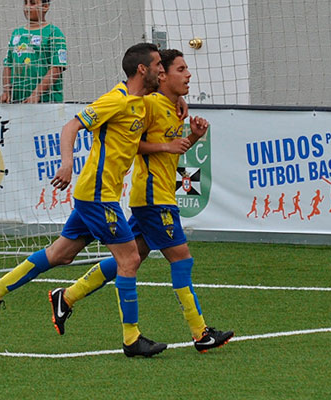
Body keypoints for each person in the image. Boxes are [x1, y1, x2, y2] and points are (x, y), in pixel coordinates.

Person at [0, 43, 166, 357]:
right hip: (97, 195)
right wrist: (66, 162)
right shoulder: (115, 101)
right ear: (143, 69)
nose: (162, 69)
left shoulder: (143, 102)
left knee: (60, 255)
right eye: (158, 64)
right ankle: (132, 339)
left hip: (97, 194)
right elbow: (72, 125)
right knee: (130, 259)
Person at [48, 49, 234, 353]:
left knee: (132, 258)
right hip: (152, 198)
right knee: (181, 258)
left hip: (157, 196)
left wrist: (195, 137)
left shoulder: (173, 107)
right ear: (161, 75)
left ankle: (67, 297)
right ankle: (200, 333)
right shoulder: (147, 104)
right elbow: (135, 144)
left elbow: (172, 149)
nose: (188, 74)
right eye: (180, 69)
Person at [0, 0, 66, 103]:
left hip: (47, 102)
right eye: (25, 3)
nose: (28, 7)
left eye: (33, 3)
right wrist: (6, 91)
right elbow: (8, 65)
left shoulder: (54, 32)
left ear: (45, 7)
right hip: (19, 100)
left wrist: (37, 93)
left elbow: (57, 67)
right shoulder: (17, 33)